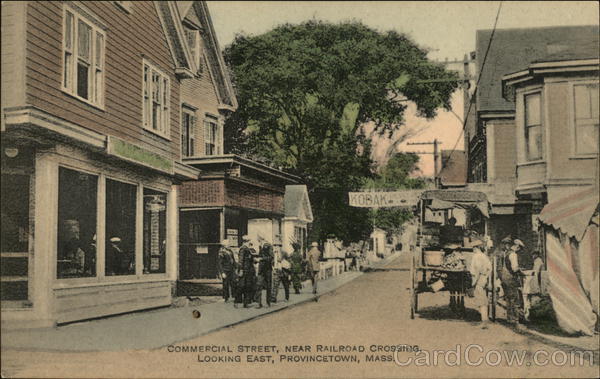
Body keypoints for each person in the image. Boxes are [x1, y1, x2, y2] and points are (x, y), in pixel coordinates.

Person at [500, 239, 526, 327]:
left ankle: (509, 318)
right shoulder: (513, 254)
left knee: (508, 299)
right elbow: (514, 268)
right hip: (511, 278)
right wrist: (521, 271)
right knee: (515, 299)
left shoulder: (506, 253)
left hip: (504, 278)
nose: (519, 251)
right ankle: (515, 319)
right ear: (517, 247)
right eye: (519, 249)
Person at [468, 239, 493, 328]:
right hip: (483, 279)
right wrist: (486, 278)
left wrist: (474, 282)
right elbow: (489, 268)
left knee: (481, 300)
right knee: (483, 299)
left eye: (474, 247)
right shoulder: (484, 256)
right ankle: (485, 319)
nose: (473, 249)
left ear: (478, 247)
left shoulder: (477, 256)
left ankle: (484, 321)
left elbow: (477, 270)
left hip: (479, 279)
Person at [254, 241, 274, 308]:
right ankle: (259, 303)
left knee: (268, 286)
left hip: (268, 270)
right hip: (261, 270)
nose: (259, 242)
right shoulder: (260, 249)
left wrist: (261, 259)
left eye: (260, 240)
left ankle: (268, 302)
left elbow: (271, 258)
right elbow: (259, 257)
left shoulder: (268, 246)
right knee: (258, 285)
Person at [239, 235, 256, 308]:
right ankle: (244, 302)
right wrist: (241, 270)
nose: (250, 242)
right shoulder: (243, 249)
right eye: (249, 241)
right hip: (246, 270)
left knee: (248, 286)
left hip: (249, 270)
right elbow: (241, 260)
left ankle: (247, 301)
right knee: (245, 286)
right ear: (246, 241)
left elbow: (250, 259)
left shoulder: (247, 249)